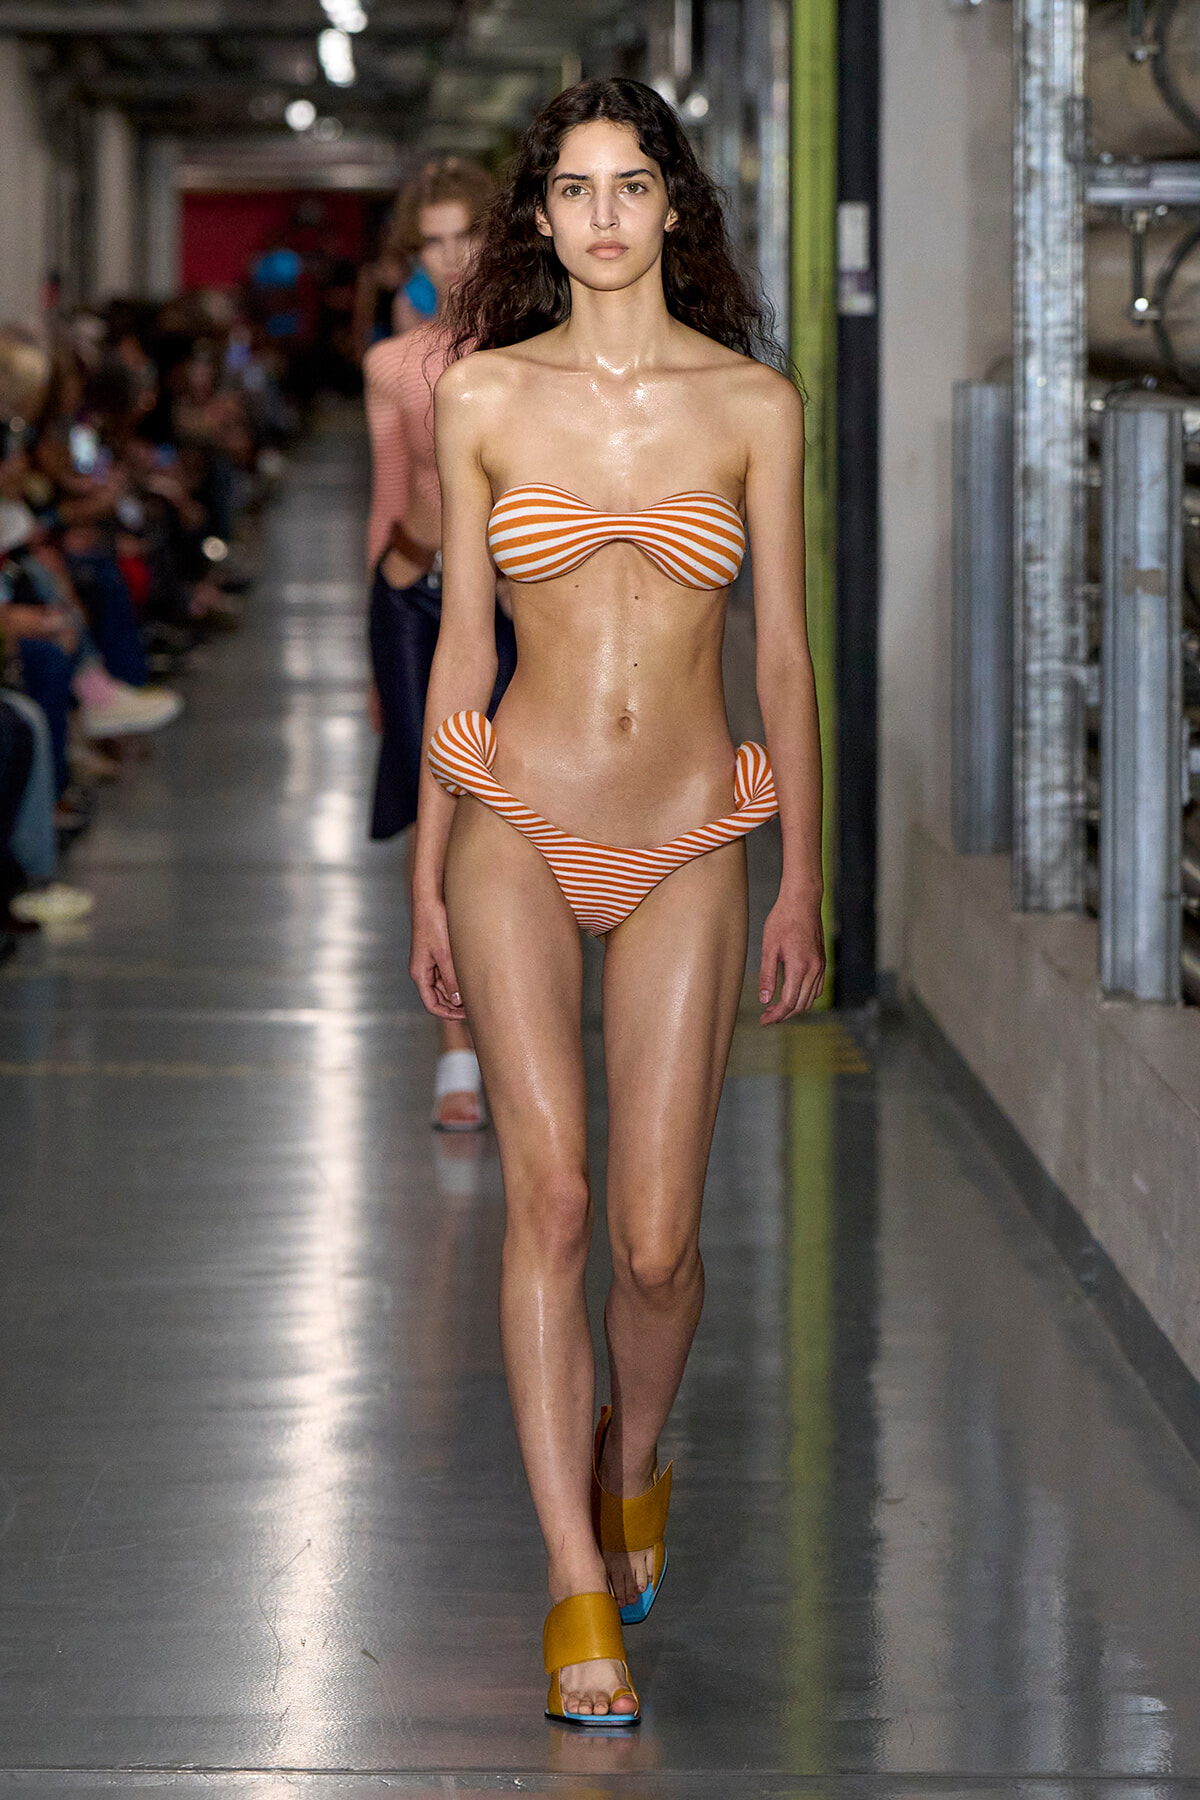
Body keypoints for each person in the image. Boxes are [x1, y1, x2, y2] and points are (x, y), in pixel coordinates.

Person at [408, 79, 825, 1726]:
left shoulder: (753, 406)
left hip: (691, 834)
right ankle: (575, 1582)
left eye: (630, 186)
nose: (601, 215)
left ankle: (633, 1457)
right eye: (573, 188)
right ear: (540, 217)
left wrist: (804, 875)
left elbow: (781, 655)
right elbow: (461, 646)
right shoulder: (482, 397)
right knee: (558, 1203)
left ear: (673, 209)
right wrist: (428, 879)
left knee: (656, 1244)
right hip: (515, 818)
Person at [364, 156, 516, 1132]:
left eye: (467, 235)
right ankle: (455, 1048)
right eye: (433, 241)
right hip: (413, 598)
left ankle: (515, 1027)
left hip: (513, 607)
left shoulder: (533, 349)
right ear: (412, 254)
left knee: (516, 813)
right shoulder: (391, 364)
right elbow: (387, 497)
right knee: (437, 812)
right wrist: (368, 653)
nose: (452, 257)